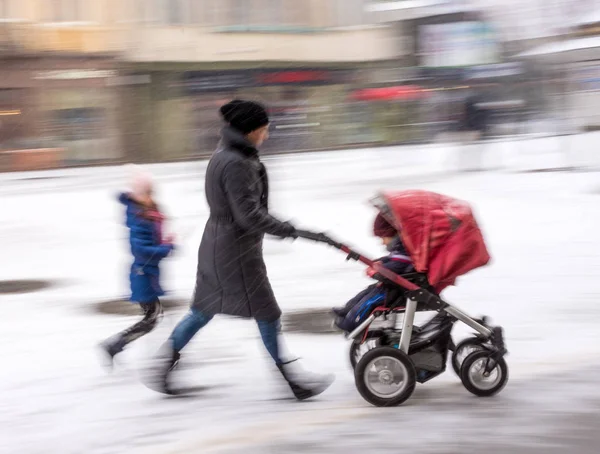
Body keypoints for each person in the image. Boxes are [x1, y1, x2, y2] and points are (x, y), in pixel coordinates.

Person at [144, 99, 335, 400]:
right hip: (236, 252)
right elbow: (249, 216)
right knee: (267, 312)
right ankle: (292, 379)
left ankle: (161, 366)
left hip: (218, 245)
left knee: (203, 310)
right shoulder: (237, 163)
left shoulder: (225, 155)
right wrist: (288, 229)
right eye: (263, 129)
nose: (266, 135)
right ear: (250, 131)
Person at [99, 167, 175, 369]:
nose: (151, 196)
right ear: (140, 195)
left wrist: (165, 241)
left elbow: (150, 243)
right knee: (152, 318)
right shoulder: (138, 218)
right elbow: (140, 249)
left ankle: (117, 345)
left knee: (153, 317)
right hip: (142, 274)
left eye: (152, 192)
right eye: (147, 193)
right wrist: (166, 247)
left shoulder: (146, 213)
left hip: (146, 273)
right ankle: (115, 345)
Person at [332, 213, 414, 332]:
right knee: (365, 292)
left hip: (397, 291)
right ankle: (347, 310)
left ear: (393, 235)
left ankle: (351, 323)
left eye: (383, 238)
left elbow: (397, 265)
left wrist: (377, 270)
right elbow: (393, 260)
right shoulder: (401, 250)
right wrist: (381, 262)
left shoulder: (403, 251)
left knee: (369, 301)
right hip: (392, 286)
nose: (382, 242)